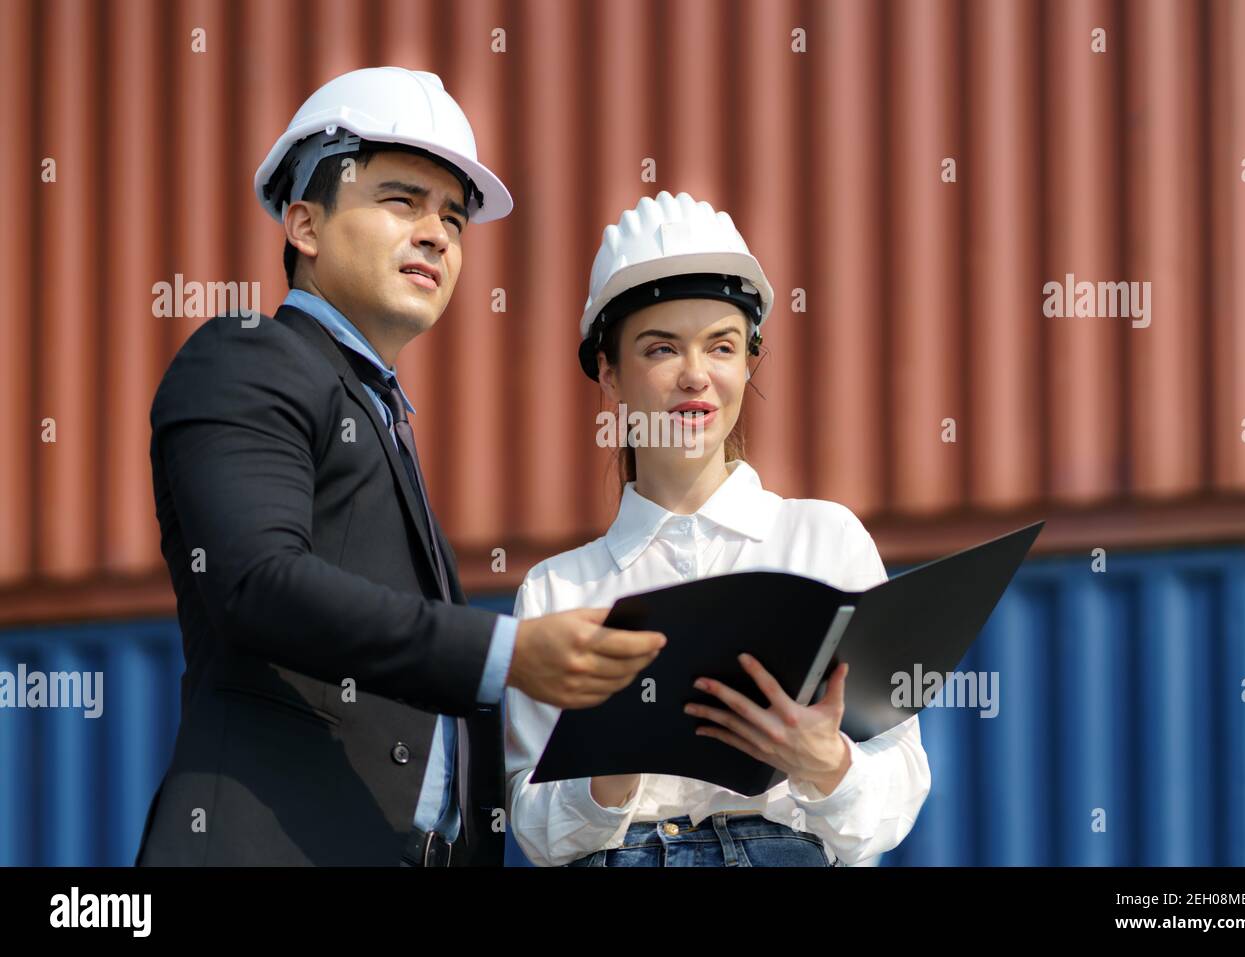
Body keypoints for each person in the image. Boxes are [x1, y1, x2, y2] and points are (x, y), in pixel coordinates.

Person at [136, 67, 664, 866]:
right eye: (400, 201)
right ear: (304, 226)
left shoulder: (380, 415)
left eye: (453, 217)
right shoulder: (246, 354)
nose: (438, 234)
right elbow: (255, 583)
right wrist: (507, 655)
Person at [505, 191, 931, 867]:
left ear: (748, 362)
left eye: (721, 346)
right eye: (662, 348)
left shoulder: (826, 541)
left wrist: (825, 762)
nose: (696, 375)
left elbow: (899, 789)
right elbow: (532, 828)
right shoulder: (557, 589)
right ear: (610, 373)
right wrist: (609, 763)